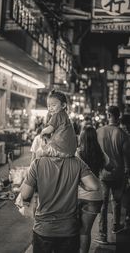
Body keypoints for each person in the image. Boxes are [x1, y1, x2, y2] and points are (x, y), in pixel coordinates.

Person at [20, 151, 100, 253]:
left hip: (43, 228)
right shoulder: (77, 162)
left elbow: (25, 195)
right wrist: (80, 183)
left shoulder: (37, 163)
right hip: (68, 229)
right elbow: (95, 186)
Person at [95, 106, 130, 244]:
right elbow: (127, 157)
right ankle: (116, 226)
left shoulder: (99, 132)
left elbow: (96, 154)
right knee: (116, 201)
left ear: (108, 114)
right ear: (119, 116)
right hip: (119, 173)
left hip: (103, 173)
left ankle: (102, 234)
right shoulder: (123, 134)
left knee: (103, 204)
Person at [76, 125, 106, 252]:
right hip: (95, 196)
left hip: (77, 196)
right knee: (85, 231)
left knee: (75, 229)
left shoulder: (77, 153)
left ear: (81, 138)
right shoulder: (100, 153)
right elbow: (109, 165)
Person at [37, 89, 77, 158]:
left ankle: (36, 168)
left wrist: (42, 132)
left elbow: (49, 129)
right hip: (71, 151)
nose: (50, 108)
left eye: (53, 105)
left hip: (59, 150)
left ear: (63, 105)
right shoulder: (66, 116)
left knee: (38, 152)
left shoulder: (57, 115)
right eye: (49, 106)